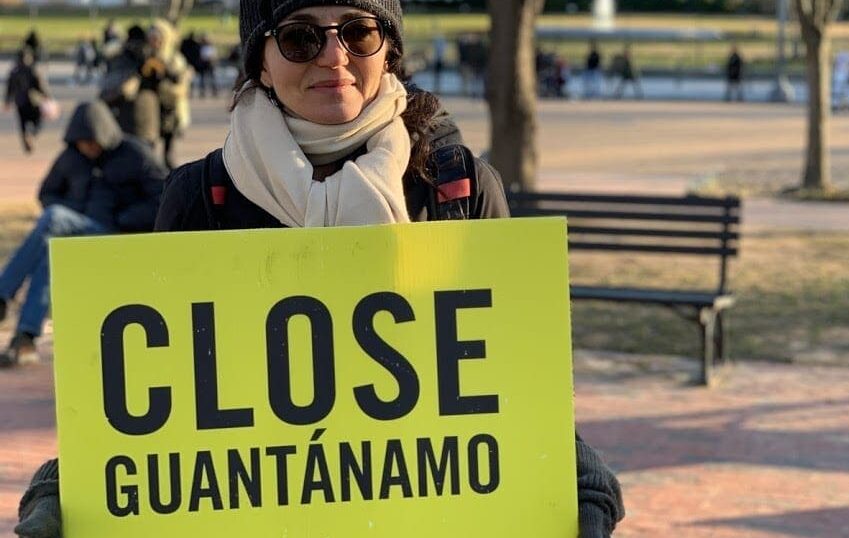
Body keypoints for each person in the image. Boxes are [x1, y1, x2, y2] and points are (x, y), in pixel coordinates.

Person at [13, 1, 625, 537]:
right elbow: (165, 400)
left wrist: (565, 462)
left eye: (359, 32)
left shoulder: (458, 188)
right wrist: (83, 480)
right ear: (260, 60)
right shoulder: (201, 197)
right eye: (300, 37)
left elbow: (508, 387)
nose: (333, 55)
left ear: (387, 50)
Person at [0, 101, 166, 368]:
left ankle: (3, 293)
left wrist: (123, 219)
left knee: (53, 218)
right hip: (78, 231)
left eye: (92, 142)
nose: (88, 148)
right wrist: (77, 211)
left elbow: (161, 196)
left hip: (117, 235)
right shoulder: (70, 158)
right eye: (82, 143)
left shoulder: (134, 153)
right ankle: (25, 338)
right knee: (51, 253)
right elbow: (47, 193)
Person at [139, 19, 192, 169]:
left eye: (157, 39)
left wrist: (164, 80)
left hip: (170, 112)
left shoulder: (175, 60)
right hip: (150, 112)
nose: (154, 42)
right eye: (151, 39)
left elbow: (181, 89)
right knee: (148, 153)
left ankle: (173, 186)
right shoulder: (146, 57)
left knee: (168, 156)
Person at [5, 48, 50, 154]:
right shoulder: (33, 70)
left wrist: (7, 100)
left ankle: (26, 140)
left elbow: (10, 88)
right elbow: (40, 85)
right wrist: (47, 96)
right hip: (33, 101)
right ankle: (32, 135)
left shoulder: (14, 71)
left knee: (22, 124)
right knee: (38, 121)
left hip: (20, 101)